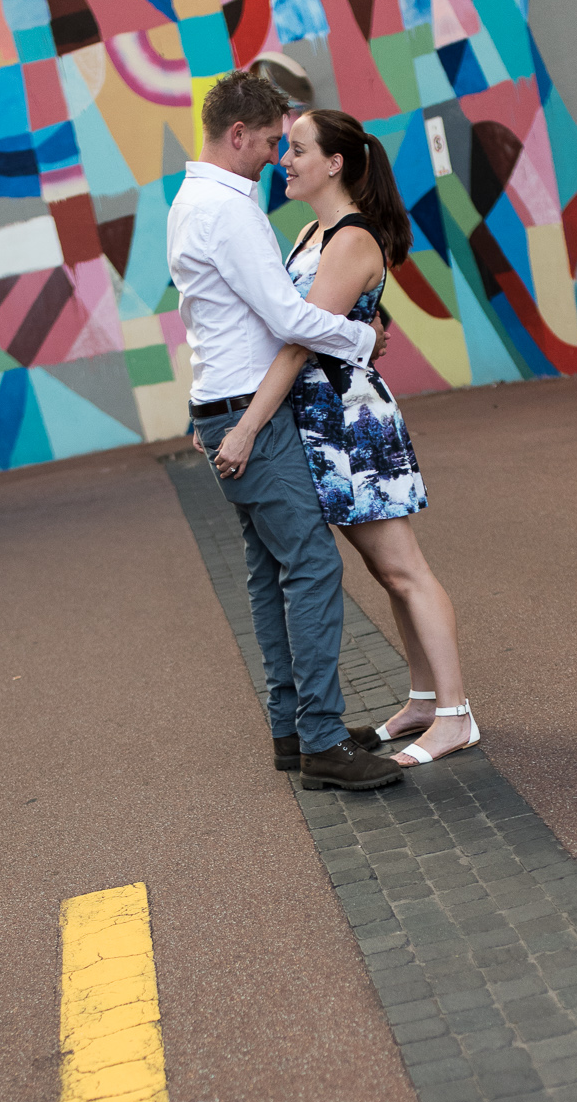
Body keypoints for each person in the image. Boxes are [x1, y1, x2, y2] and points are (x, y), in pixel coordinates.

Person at [212, 110, 478, 769]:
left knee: (403, 567)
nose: (285, 160)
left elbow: (301, 343)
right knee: (384, 570)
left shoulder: (351, 239)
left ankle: (454, 716)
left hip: (349, 425)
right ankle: (421, 702)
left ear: (334, 163)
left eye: (298, 150)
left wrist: (246, 425)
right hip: (320, 422)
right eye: (286, 150)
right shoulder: (311, 233)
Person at [165, 71, 403, 793]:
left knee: (271, 571)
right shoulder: (228, 211)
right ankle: (322, 743)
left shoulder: (191, 200)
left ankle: (293, 729)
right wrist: (361, 336)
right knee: (311, 567)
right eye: (270, 141)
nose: (276, 156)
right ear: (238, 135)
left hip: (224, 403)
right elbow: (284, 317)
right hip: (247, 412)